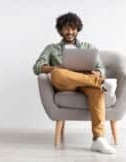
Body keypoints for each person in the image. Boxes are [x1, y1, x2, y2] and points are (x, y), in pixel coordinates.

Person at [33, 12, 117, 154]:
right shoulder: (51, 49)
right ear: (60, 30)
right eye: (66, 28)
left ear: (78, 29)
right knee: (57, 73)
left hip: (86, 83)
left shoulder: (88, 46)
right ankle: (100, 83)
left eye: (73, 28)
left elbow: (100, 68)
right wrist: (56, 68)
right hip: (65, 83)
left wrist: (97, 73)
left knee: (97, 90)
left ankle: (98, 140)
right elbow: (37, 67)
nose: (70, 32)